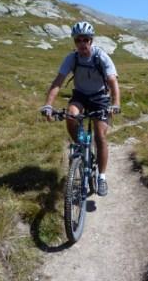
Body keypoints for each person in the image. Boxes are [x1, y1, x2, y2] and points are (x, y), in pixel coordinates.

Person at [40, 21, 120, 197]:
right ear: (74, 42)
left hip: (100, 98)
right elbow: (58, 82)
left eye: (85, 39)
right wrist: (48, 105)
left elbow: (113, 82)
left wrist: (115, 104)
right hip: (80, 96)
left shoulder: (101, 57)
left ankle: (101, 177)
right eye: (78, 40)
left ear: (91, 41)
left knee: (100, 136)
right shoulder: (72, 58)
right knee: (71, 116)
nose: (82, 43)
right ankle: (80, 147)